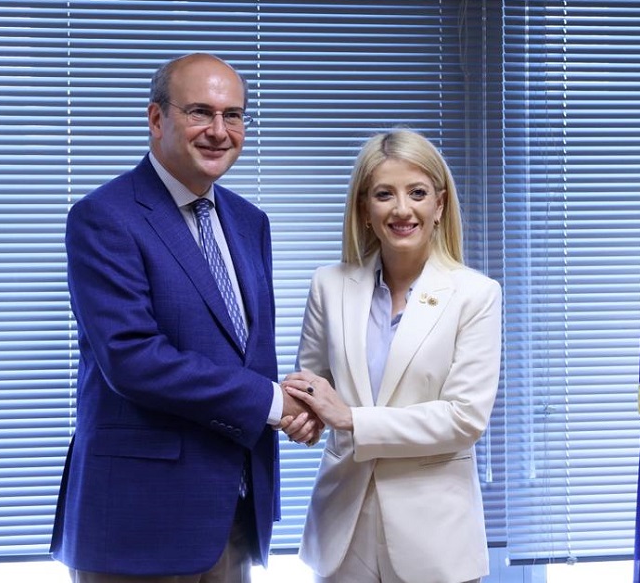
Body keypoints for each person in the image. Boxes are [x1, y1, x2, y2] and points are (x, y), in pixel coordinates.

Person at [50, 52, 322, 583]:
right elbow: (132, 359)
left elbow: (248, 354)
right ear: (156, 119)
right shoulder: (103, 217)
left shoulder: (249, 221)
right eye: (200, 112)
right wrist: (273, 403)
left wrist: (299, 408)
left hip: (234, 513)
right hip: (139, 520)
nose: (219, 131)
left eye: (233, 115)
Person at [283, 128, 502, 583]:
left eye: (417, 193)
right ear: (365, 208)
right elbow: (314, 389)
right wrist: (303, 416)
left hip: (436, 541)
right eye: (385, 194)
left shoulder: (476, 295)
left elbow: (465, 419)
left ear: (439, 205)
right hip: (342, 533)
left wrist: (351, 419)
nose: (402, 209)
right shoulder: (328, 285)